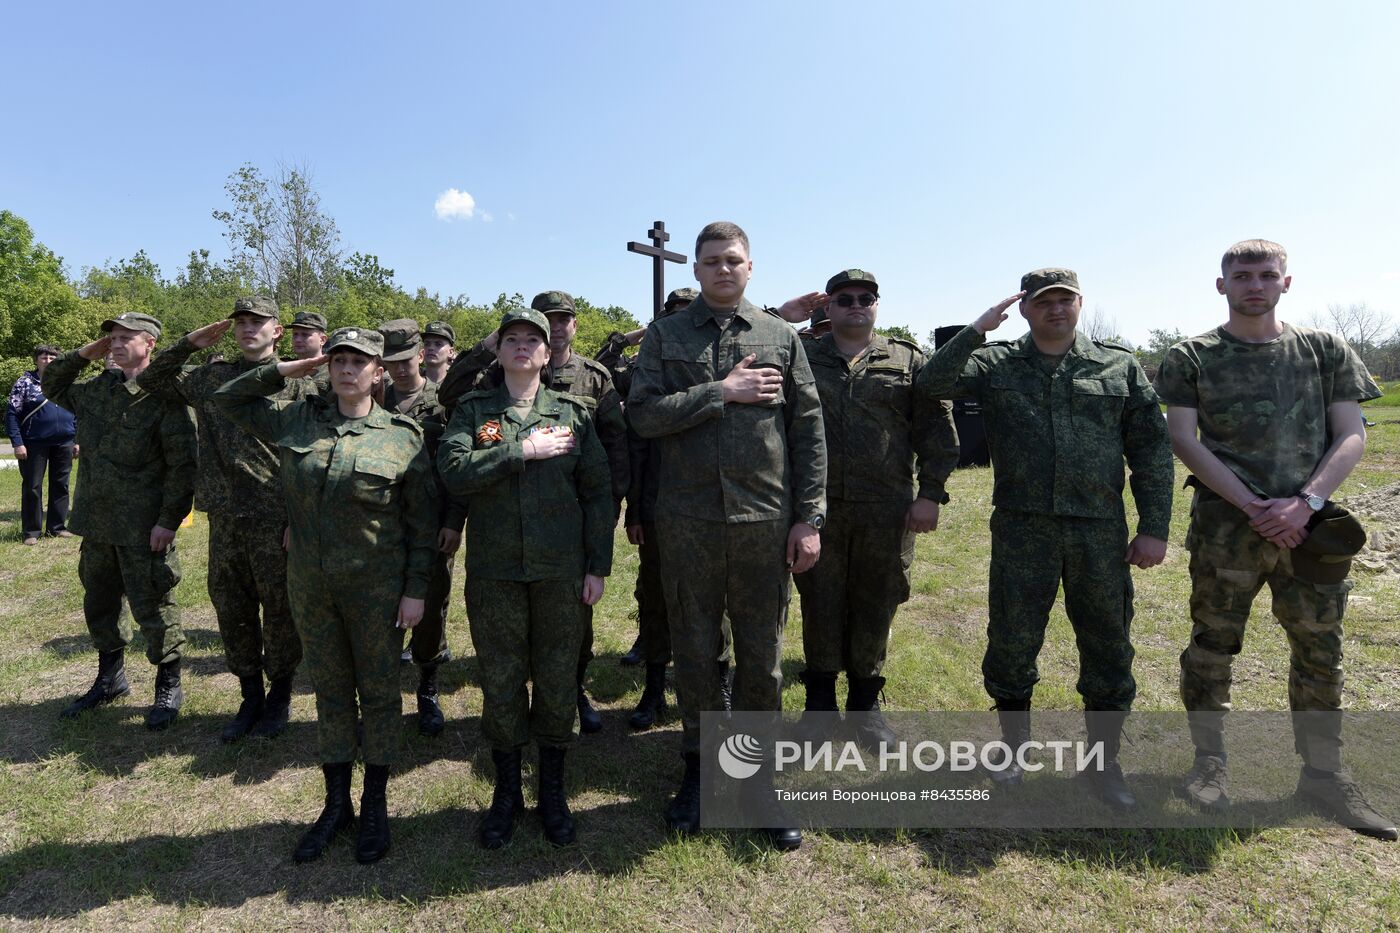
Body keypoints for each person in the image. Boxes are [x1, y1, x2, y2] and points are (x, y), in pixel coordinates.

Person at [1155, 238, 1396, 840]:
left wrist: (1305, 503)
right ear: (1222, 285)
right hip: (1225, 533)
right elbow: (1183, 438)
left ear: (1287, 282)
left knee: (1321, 651)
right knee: (1212, 646)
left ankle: (1323, 775)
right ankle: (1208, 763)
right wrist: (1252, 505)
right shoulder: (1192, 356)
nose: (1254, 284)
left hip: (1310, 532)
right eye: (1241, 275)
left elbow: (1351, 433)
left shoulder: (1324, 350)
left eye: (1266, 274)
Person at [917, 268, 1173, 811]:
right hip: (1022, 528)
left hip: (1099, 532)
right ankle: (1012, 753)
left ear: (1079, 303)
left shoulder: (1116, 365)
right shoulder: (996, 362)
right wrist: (978, 329)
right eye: (1044, 302)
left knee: (1107, 644)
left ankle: (1104, 765)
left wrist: (1153, 528)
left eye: (1065, 300)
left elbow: (1151, 450)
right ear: (1026, 309)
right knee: (1011, 641)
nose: (1056, 309)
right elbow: (930, 383)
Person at [628, 221, 826, 849]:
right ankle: (699, 766)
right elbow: (643, 415)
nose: (722, 269)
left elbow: (809, 429)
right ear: (696, 268)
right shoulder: (664, 336)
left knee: (761, 655)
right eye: (711, 261)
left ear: (750, 267)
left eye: (733, 260)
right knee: (694, 648)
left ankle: (757, 779)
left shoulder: (777, 336)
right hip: (686, 522)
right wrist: (722, 391)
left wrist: (809, 516)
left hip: (763, 523)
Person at [215, 326, 437, 864]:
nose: (345, 369)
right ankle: (336, 804)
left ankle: (375, 805)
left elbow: (422, 526)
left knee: (380, 694)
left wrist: (414, 592)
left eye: (358, 361)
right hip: (312, 587)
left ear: (378, 371)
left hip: (376, 589)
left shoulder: (403, 436)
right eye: (337, 359)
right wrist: (289, 369)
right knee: (333, 693)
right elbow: (226, 399)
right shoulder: (298, 420)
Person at [438, 307, 613, 849]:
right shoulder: (473, 411)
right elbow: (453, 471)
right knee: (502, 680)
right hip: (496, 573)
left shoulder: (574, 413)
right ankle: (507, 794)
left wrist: (597, 566)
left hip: (561, 574)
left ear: (545, 352)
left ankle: (553, 794)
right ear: (498, 349)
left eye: (531, 340)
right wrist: (520, 451)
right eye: (510, 338)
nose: (521, 346)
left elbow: (598, 493)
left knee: (559, 680)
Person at [783, 269, 959, 751]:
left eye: (866, 298)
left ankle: (865, 707)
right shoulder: (803, 357)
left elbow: (936, 429)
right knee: (819, 601)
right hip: (817, 508)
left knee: (876, 603)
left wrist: (931, 493)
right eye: (844, 299)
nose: (855, 305)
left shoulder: (906, 358)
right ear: (829, 308)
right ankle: (819, 706)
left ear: (877, 305)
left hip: (887, 508)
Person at [137, 296, 310, 742]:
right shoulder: (212, 375)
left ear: (277, 331)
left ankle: (280, 696)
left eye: (259, 322)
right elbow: (154, 379)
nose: (248, 328)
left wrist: (300, 515)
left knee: (280, 610)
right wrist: (189, 343)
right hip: (226, 516)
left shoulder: (298, 381)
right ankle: (249, 695)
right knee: (231, 609)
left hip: (276, 515)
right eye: (242, 322)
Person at [42, 313, 197, 731]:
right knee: (100, 603)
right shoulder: (96, 391)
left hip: (143, 527)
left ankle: (168, 684)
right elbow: (51, 384)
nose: (116, 343)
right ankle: (110, 679)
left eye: (126, 337)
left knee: (154, 607)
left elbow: (183, 466)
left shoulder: (163, 397)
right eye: (112, 337)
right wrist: (84, 353)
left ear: (150, 344)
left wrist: (168, 520)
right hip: (96, 523)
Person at [378, 318, 467, 736]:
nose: (398, 369)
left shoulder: (444, 402)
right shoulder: (372, 399)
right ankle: (382, 700)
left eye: (404, 359)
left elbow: (456, 469)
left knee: (430, 609)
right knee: (380, 611)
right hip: (381, 526)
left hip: (431, 526)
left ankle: (428, 690)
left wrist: (453, 522)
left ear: (420, 355)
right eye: (388, 361)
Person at [7, 344, 77, 546]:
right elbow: (12, 414)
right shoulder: (25, 383)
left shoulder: (66, 382)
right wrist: (17, 443)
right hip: (33, 443)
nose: (48, 361)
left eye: (53, 357)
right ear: (36, 360)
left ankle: (57, 527)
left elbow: (77, 411)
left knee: (61, 485)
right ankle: (31, 531)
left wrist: (77, 439)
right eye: (44, 357)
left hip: (64, 441)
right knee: (32, 486)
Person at [288, 310, 332, 395]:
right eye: (295, 334)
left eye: (305, 335)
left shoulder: (333, 371)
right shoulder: (285, 369)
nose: (298, 340)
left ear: (322, 340)